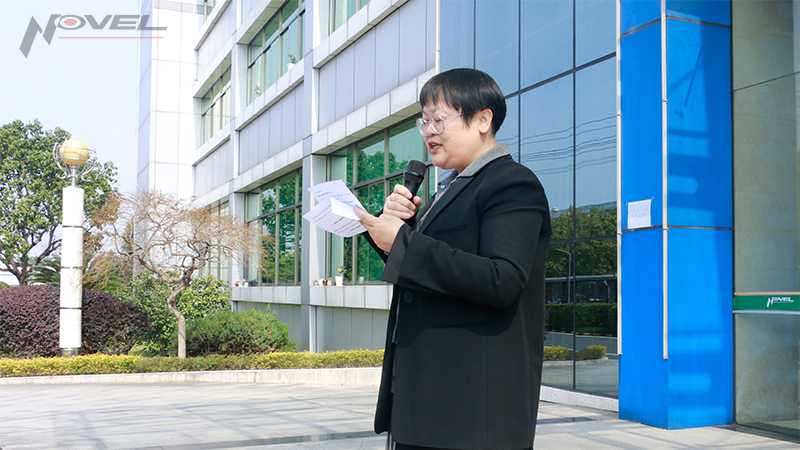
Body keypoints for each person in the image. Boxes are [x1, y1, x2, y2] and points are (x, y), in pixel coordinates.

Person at [354, 68, 551, 450]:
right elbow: (431, 270)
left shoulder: (511, 183)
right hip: (428, 403)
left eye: (439, 119)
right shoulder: (450, 190)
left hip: (474, 415)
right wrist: (393, 232)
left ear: (482, 120)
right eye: (423, 121)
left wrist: (404, 243)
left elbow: (502, 279)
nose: (428, 131)